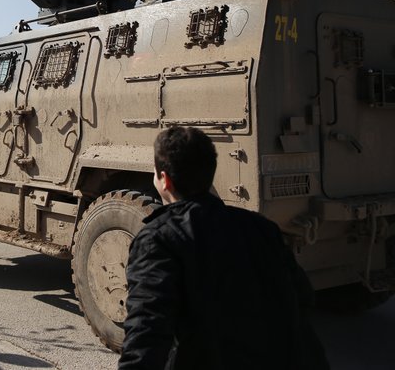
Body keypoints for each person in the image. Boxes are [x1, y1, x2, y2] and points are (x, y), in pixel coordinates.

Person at [118, 126, 328, 370]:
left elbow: (147, 330)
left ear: (164, 179)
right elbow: (302, 296)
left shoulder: (159, 239)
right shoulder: (261, 227)